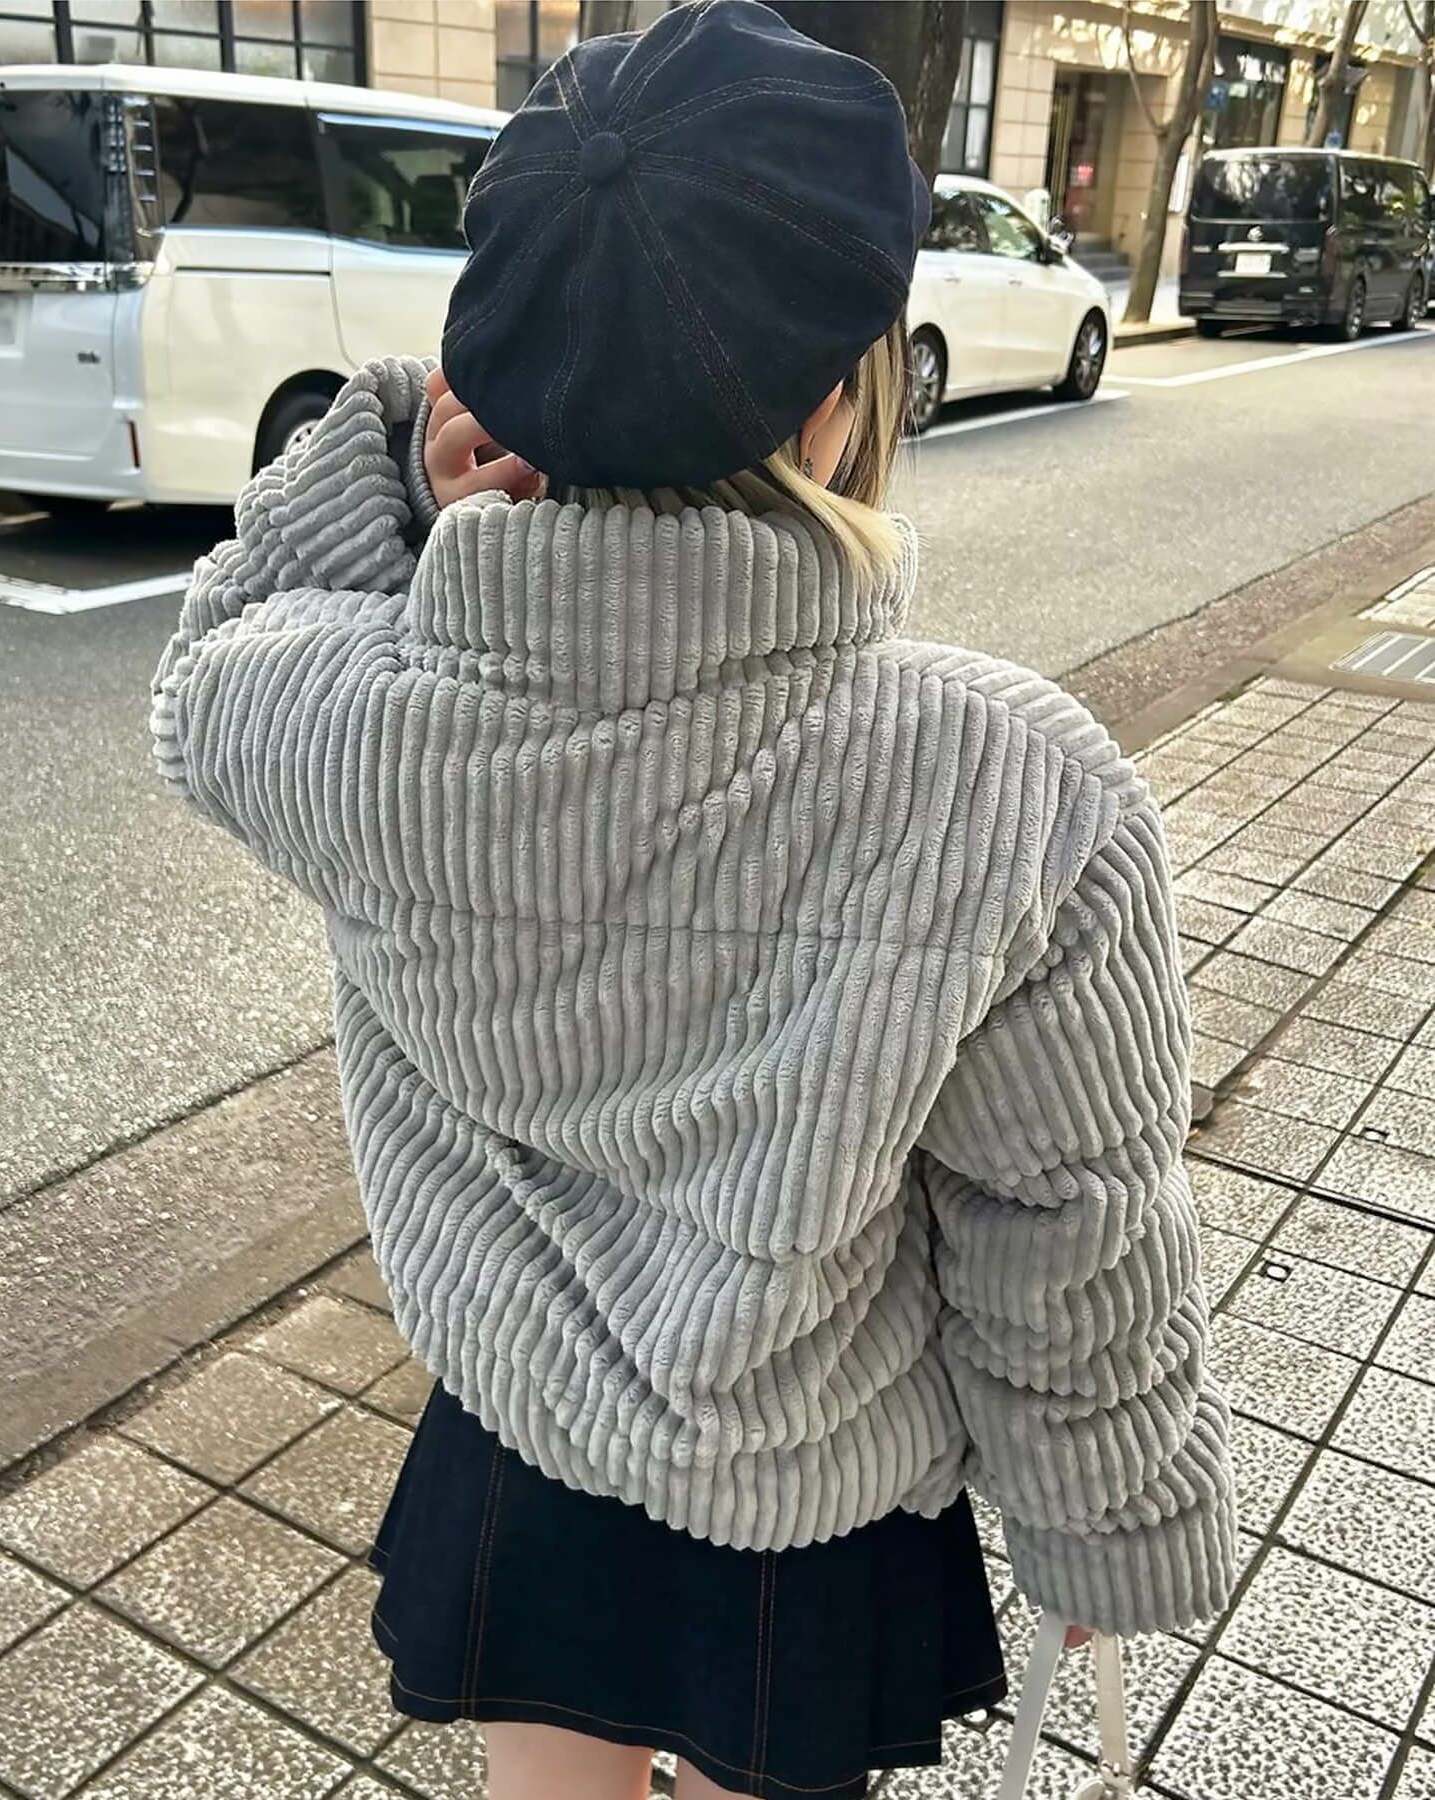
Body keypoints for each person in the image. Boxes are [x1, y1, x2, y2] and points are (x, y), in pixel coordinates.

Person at [150, 5, 1236, 1797]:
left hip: (519, 1432)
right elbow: (1066, 1217)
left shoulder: (338, 721)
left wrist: (395, 467)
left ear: (500, 373)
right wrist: (1105, 1532)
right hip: (805, 1491)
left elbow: (220, 643)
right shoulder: (1009, 783)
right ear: (835, 398)